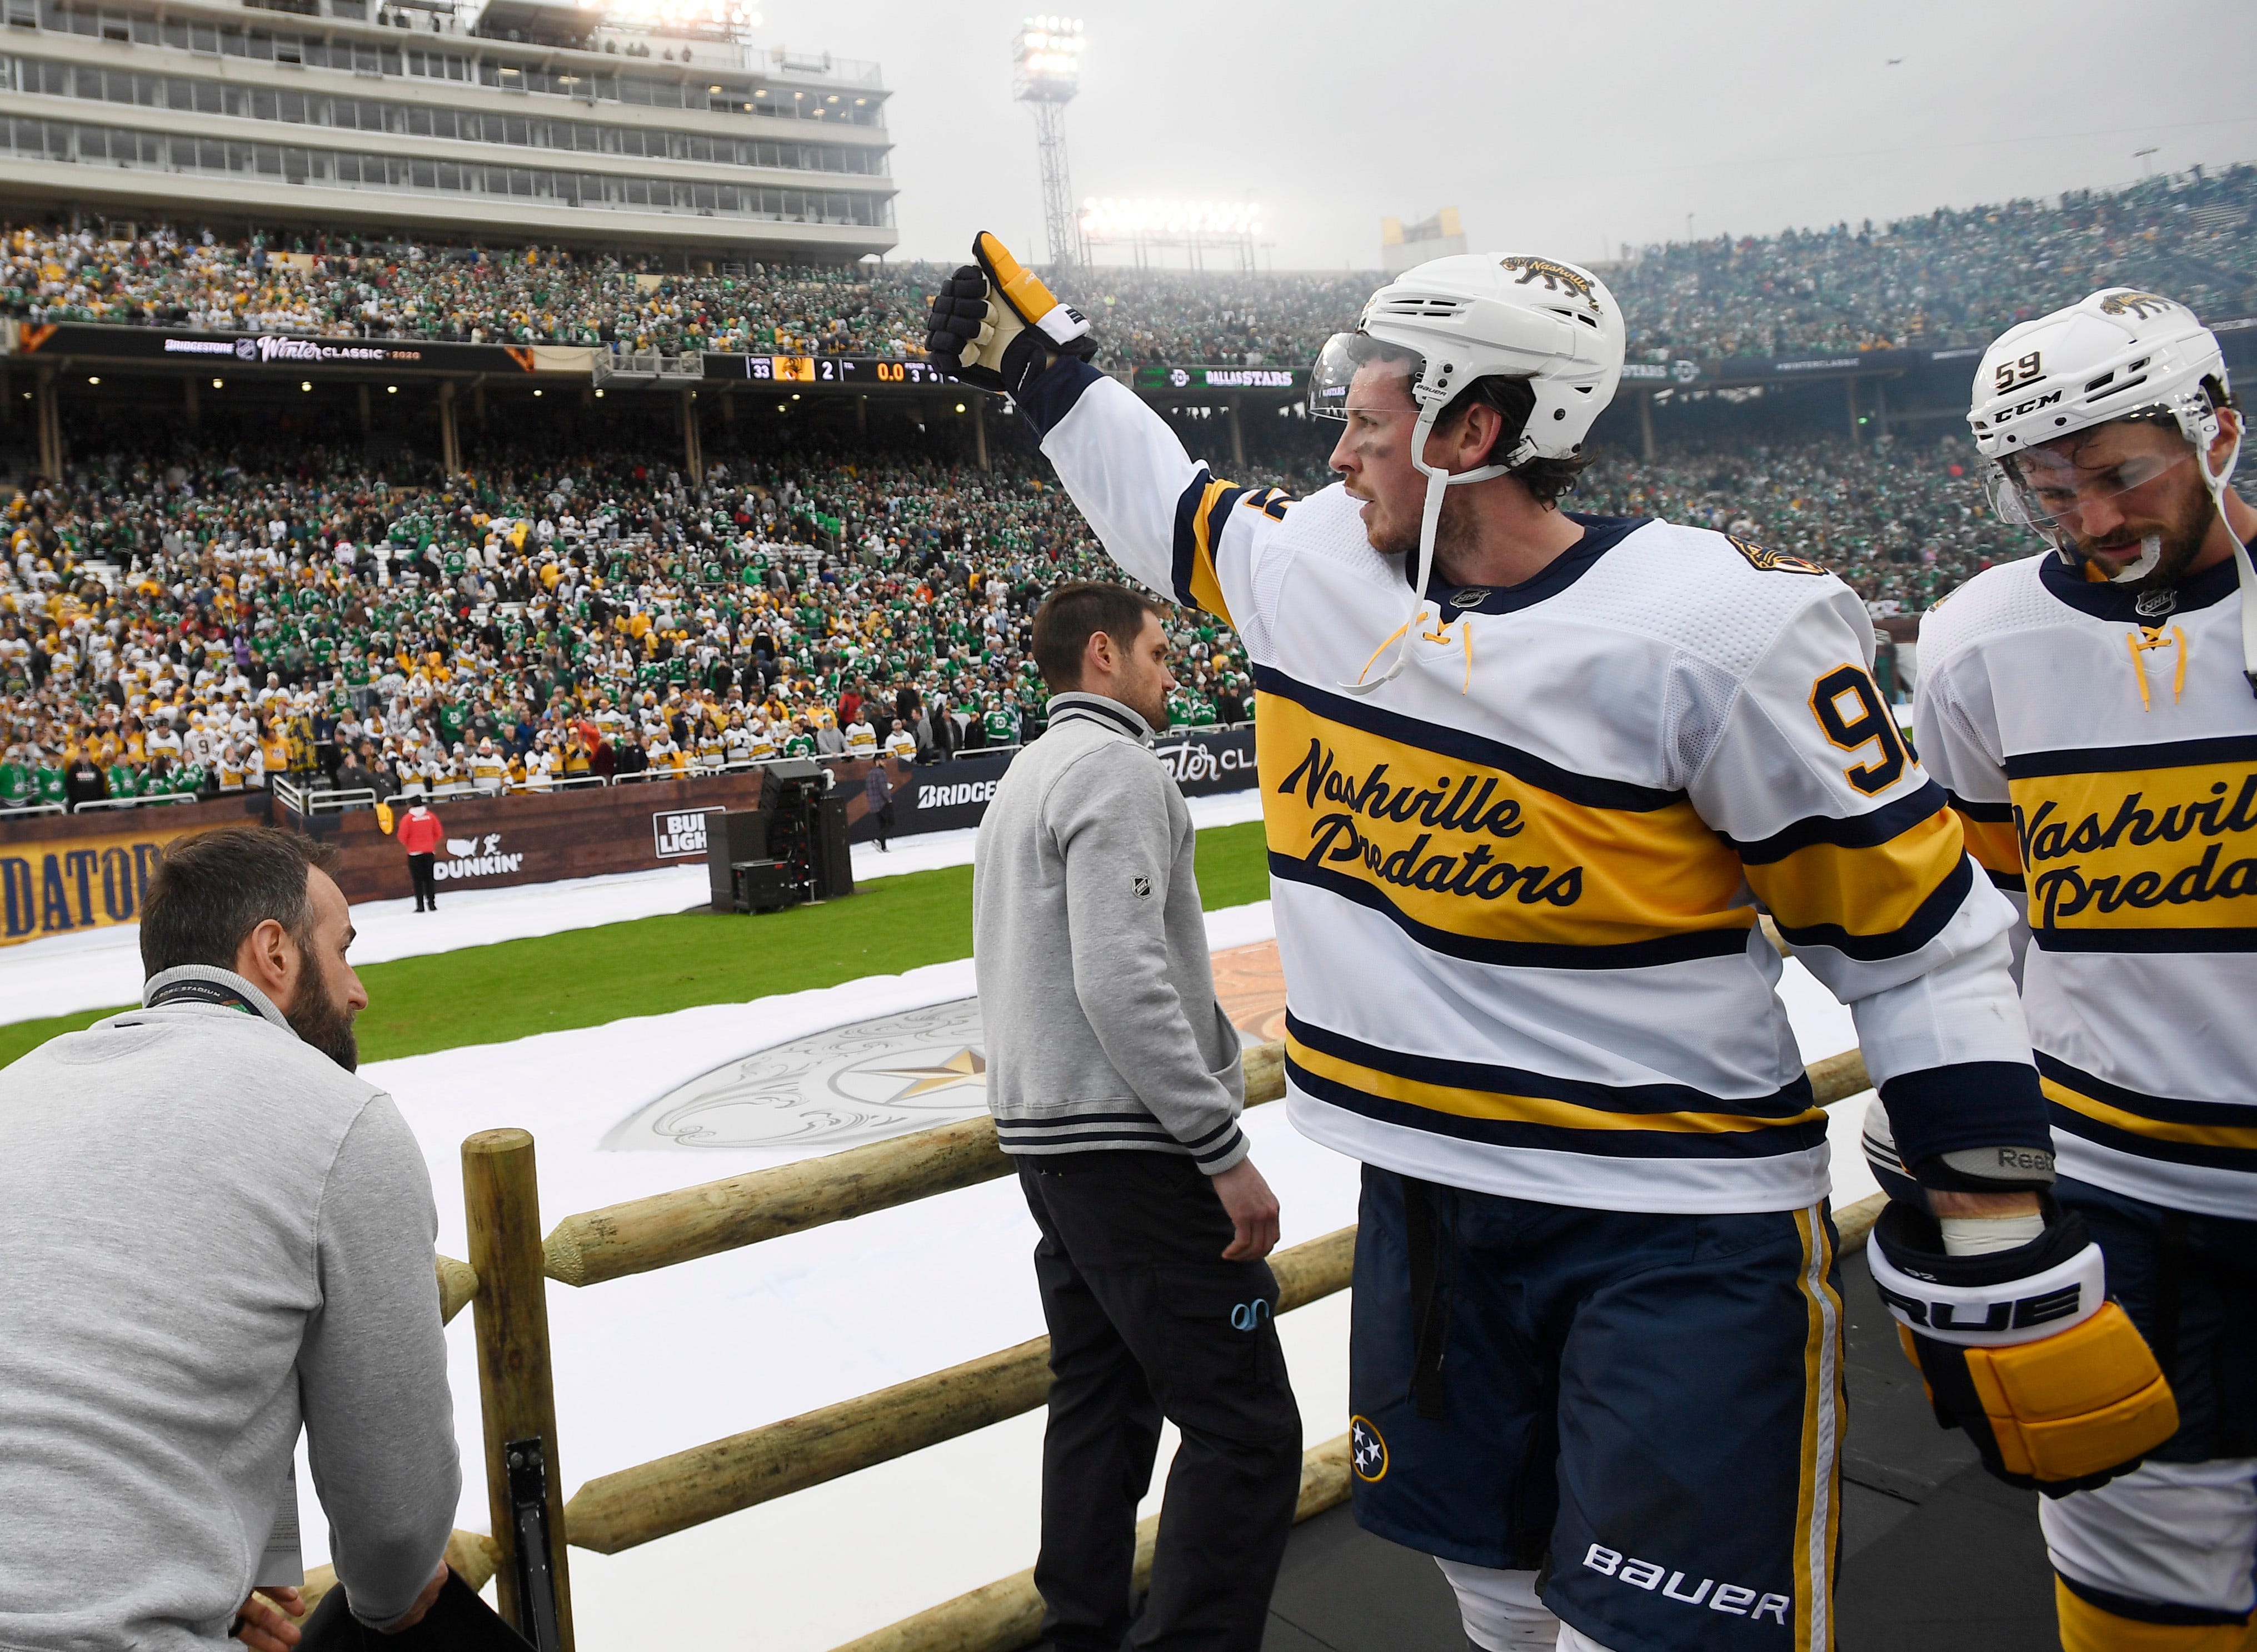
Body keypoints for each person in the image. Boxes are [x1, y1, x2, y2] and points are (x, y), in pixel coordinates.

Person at [926, 236, 2139, 1652]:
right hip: (1431, 1205)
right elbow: (1164, 504)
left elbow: (1919, 943)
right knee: (1497, 1606)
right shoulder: (1319, 569)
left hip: (1675, 1229)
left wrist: (1994, 1215)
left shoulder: (1719, 629)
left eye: (1365, 429)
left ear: (1472, 430)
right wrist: (1041, 365)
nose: (1333, 461)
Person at [1886, 288, 2257, 1651]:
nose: (2092, 521)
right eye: (2051, 491)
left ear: (2216, 424)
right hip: (2121, 1185)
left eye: (2119, 473)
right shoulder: (1981, 638)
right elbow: (1989, 922)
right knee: (2138, 1576)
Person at [0, 824, 457, 1649]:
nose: (358, 991)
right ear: (274, 954)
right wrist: (383, 1600)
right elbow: (396, 1533)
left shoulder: (17, 1088)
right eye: (342, 949)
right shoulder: (341, 1119)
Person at [972, 579, 1301, 1652]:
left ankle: (1079, 1631)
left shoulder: (1027, 770)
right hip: (1130, 1148)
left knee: (1100, 1403)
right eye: (1160, 650)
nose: (1174, 669)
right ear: (1103, 655)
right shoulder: (1116, 768)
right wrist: (1221, 1147)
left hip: (1051, 1147)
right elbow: (1122, 981)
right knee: (1245, 1428)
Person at [397, 797, 444, 913]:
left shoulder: (407, 819)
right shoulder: (431, 816)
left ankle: (420, 905)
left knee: (417, 880)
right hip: (429, 851)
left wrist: (412, 844)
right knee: (429, 879)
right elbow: (439, 833)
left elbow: (402, 837)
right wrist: (429, 842)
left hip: (414, 853)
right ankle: (432, 904)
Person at [862, 759, 895, 852]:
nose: (885, 763)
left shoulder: (869, 774)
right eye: (883, 761)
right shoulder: (881, 773)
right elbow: (883, 788)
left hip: (874, 803)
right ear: (877, 762)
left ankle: (883, 847)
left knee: (882, 825)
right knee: (891, 822)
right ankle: (878, 839)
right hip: (883, 802)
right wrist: (889, 798)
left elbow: (870, 789)